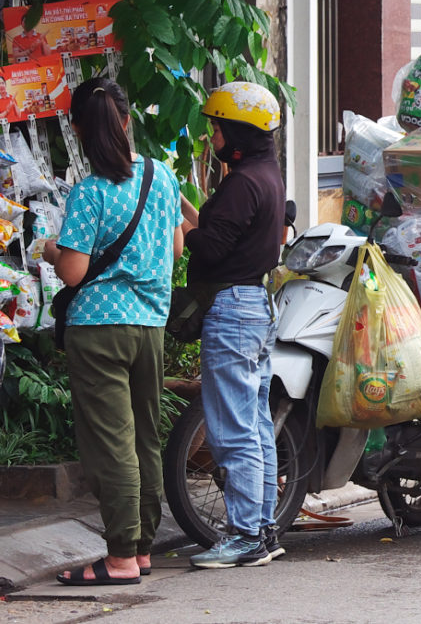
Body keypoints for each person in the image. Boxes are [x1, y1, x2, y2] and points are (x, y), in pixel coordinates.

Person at [44, 78, 183, 586]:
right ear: (126, 121)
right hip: (150, 325)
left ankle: (120, 557)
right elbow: (176, 249)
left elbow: (73, 272)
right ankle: (141, 548)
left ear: (79, 131)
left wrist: (50, 250)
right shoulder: (161, 176)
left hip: (98, 328)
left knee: (112, 443)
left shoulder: (90, 192)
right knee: (145, 436)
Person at [180, 81, 286, 569]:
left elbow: (211, 247)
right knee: (256, 425)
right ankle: (263, 530)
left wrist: (180, 229)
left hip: (233, 311)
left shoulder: (243, 182)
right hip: (255, 306)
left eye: (218, 128)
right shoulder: (265, 174)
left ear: (239, 131)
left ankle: (245, 536)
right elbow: (221, 229)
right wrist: (186, 210)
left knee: (233, 430)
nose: (213, 137)